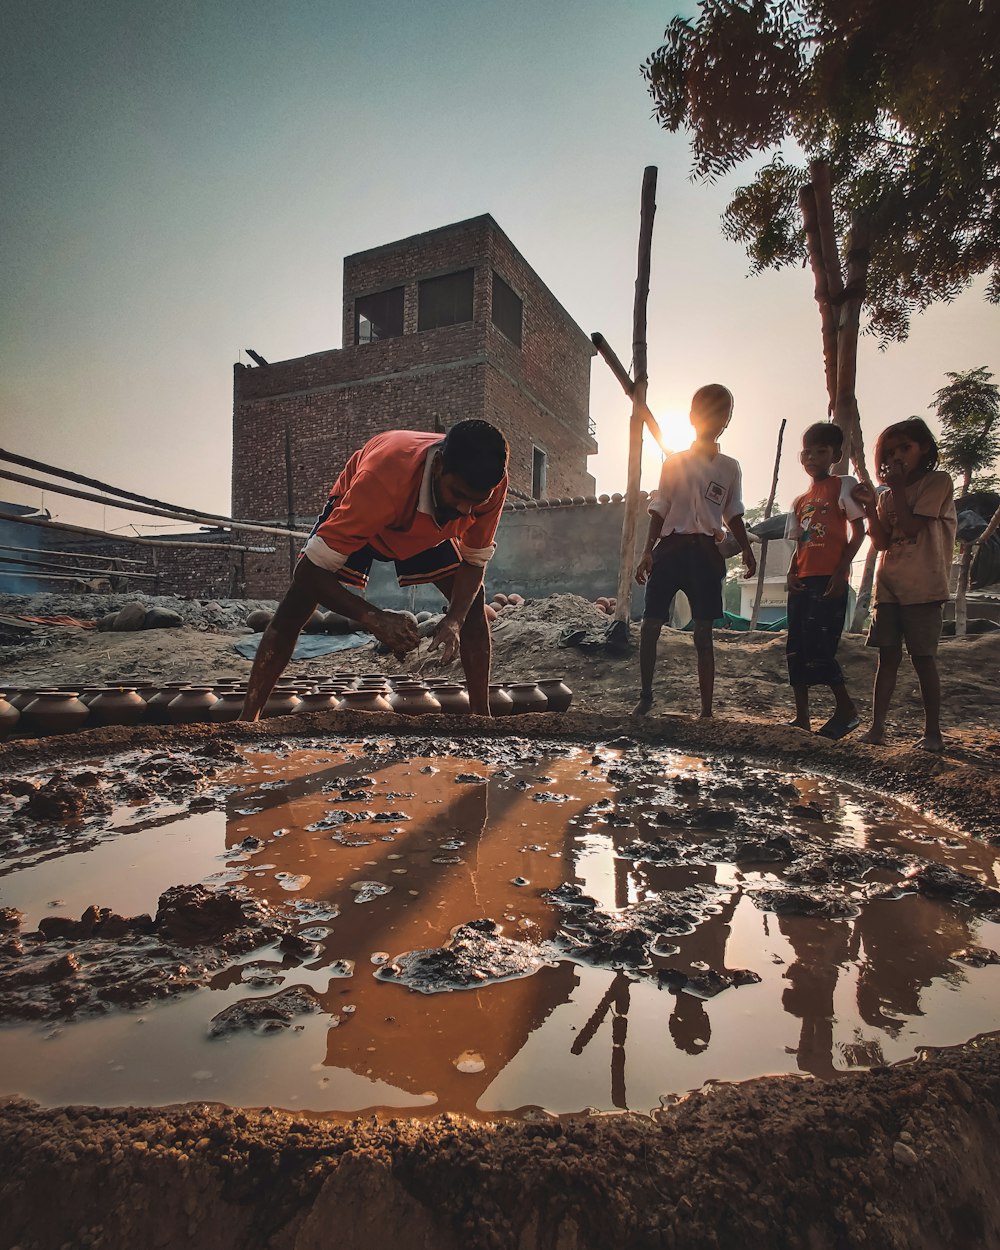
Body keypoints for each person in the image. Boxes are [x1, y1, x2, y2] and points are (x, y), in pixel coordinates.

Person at [240, 420, 509, 720]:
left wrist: (455, 619)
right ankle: (248, 719)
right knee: (295, 607)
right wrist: (373, 618)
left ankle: (482, 719)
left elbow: (473, 563)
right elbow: (307, 572)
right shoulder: (381, 480)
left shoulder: (488, 488)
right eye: (457, 494)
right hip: (372, 512)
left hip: (429, 529)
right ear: (438, 466)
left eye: (476, 503)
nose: (465, 511)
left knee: (471, 605)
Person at [633, 384, 756, 718]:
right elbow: (660, 507)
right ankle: (645, 698)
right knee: (650, 625)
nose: (715, 418)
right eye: (707, 411)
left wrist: (745, 548)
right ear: (692, 417)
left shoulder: (730, 467)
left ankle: (705, 711)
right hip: (670, 549)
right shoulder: (675, 462)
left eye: (722, 412)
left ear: (728, 420)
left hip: (706, 554)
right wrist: (647, 551)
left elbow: (733, 512)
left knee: (703, 632)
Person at [852, 417, 956, 751]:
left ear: (924, 448)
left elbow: (911, 529)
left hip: (923, 586)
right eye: (891, 451)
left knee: (923, 658)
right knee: (887, 657)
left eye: (905, 448)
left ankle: (933, 734)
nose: (897, 457)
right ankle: (877, 727)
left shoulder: (936, 483)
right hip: (890, 587)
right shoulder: (885, 497)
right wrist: (870, 508)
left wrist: (894, 489)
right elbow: (882, 542)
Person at [784, 421, 866, 738]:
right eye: (807, 452)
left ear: (835, 454)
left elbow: (858, 532)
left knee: (820, 645)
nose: (812, 457)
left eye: (821, 451)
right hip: (803, 580)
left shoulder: (843, 485)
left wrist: (840, 572)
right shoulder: (800, 501)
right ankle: (802, 717)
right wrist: (791, 572)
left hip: (827, 579)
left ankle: (846, 709)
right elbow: (799, 543)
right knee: (796, 647)